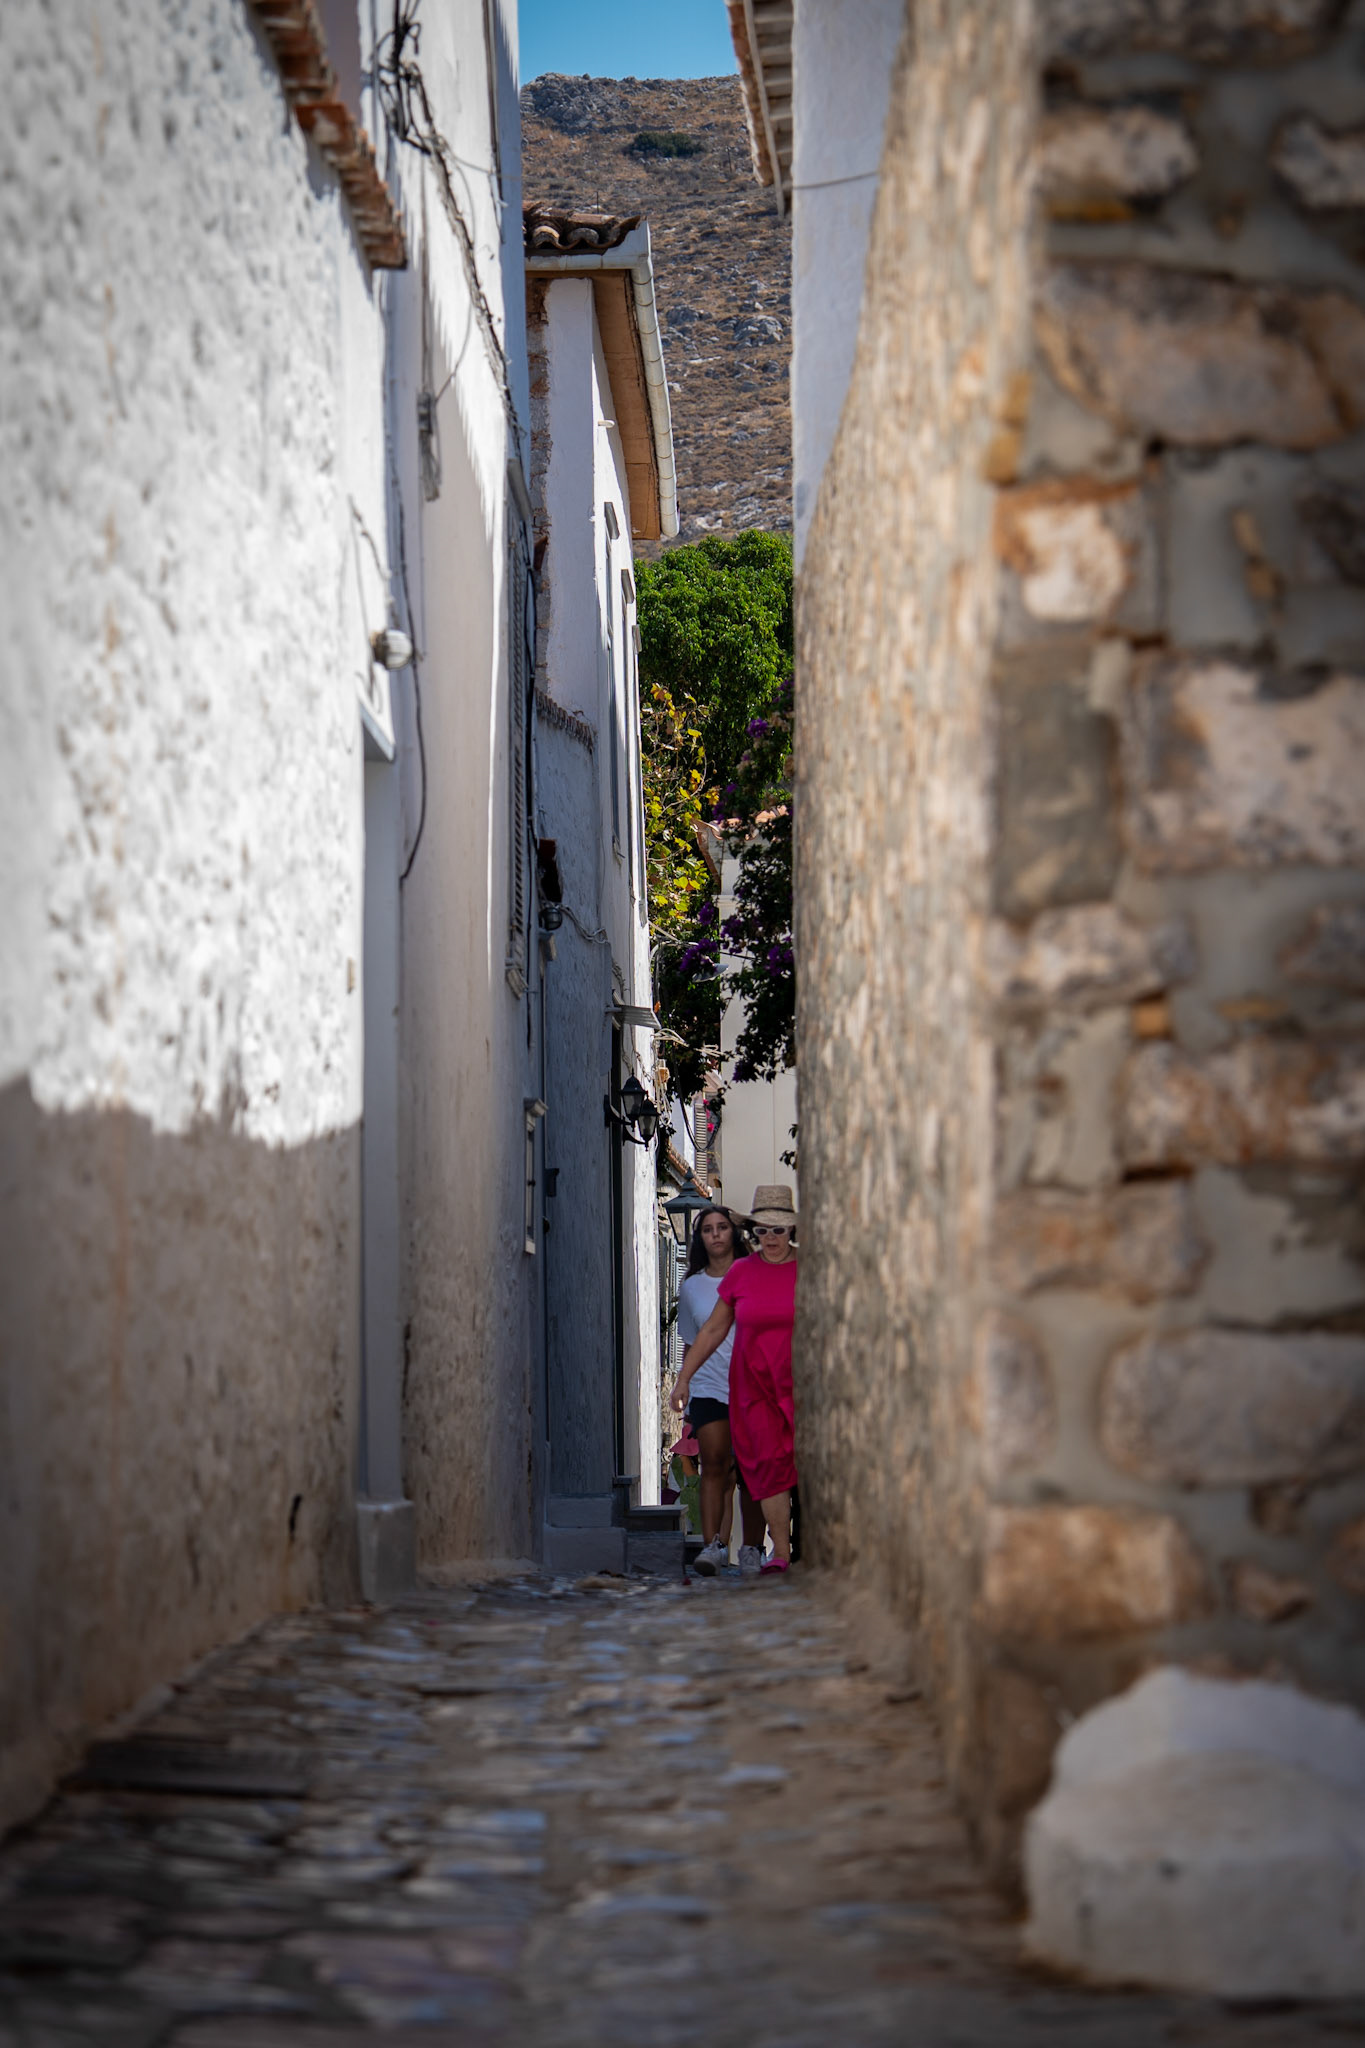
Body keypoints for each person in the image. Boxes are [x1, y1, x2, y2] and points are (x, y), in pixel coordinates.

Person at [671, 1185, 799, 1577]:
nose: (770, 1238)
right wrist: (684, 1378)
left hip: (800, 1385)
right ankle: (776, 1551)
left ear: (791, 1231)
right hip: (752, 1388)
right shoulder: (742, 1273)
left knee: (800, 1465)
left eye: (778, 1230)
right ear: (753, 1232)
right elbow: (711, 1330)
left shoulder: (810, 1269)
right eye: (762, 1230)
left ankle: (799, 1546)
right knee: (763, 1466)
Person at [670, 1207, 764, 1575]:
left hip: (751, 1384)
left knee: (751, 1472)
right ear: (700, 1239)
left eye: (722, 1227)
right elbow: (693, 1340)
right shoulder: (691, 1287)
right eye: (708, 1229)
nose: (716, 1234)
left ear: (732, 1233)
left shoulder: (752, 1276)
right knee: (713, 1465)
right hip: (708, 1386)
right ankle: (713, 1547)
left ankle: (752, 1548)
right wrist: (685, 1381)